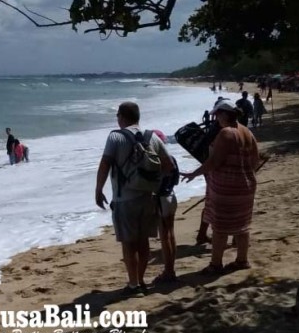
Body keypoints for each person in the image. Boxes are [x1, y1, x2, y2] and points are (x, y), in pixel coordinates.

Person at [95, 102, 173, 297]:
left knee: (129, 243)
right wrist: (154, 183)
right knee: (144, 241)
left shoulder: (115, 136)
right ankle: (141, 280)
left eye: (118, 115)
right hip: (148, 197)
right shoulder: (152, 136)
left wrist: (98, 189)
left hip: (124, 199)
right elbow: (168, 164)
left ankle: (133, 285)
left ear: (122, 116)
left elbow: (105, 163)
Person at [181, 99, 260, 274]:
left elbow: (214, 162)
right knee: (243, 225)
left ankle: (216, 264)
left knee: (220, 227)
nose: (216, 118)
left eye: (217, 114)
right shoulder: (247, 132)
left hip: (227, 187)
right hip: (247, 185)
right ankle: (242, 260)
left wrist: (193, 174)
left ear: (224, 114)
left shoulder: (226, 133)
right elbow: (255, 160)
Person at [153, 130, 179, 283]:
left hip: (161, 199)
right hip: (172, 196)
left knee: (164, 237)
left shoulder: (156, 161)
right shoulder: (172, 159)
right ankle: (171, 268)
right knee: (171, 234)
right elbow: (175, 180)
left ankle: (169, 271)